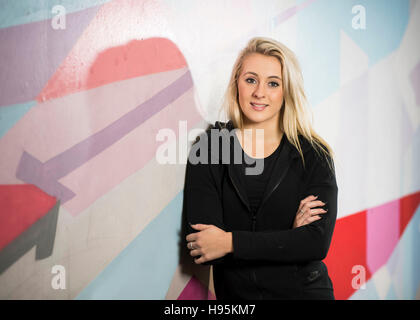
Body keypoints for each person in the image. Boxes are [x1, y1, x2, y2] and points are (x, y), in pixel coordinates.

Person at [183, 37, 338, 300]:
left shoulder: (313, 154)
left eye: (273, 83)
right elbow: (204, 247)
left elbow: (315, 243)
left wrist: (230, 242)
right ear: (236, 85)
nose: (259, 93)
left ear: (286, 91)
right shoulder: (209, 149)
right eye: (251, 80)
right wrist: (289, 236)